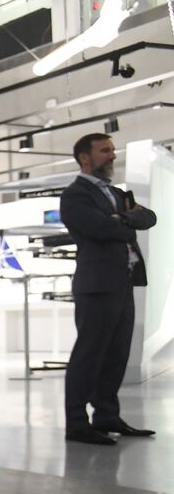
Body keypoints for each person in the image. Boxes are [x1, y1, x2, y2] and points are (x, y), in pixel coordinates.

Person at [60, 133, 158, 444]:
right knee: (89, 355)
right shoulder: (75, 195)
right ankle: (77, 423)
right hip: (97, 285)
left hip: (123, 282)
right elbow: (99, 227)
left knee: (117, 354)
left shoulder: (115, 193)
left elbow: (149, 218)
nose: (113, 155)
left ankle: (107, 416)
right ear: (84, 157)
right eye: (105, 150)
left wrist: (120, 218)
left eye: (113, 150)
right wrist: (126, 222)